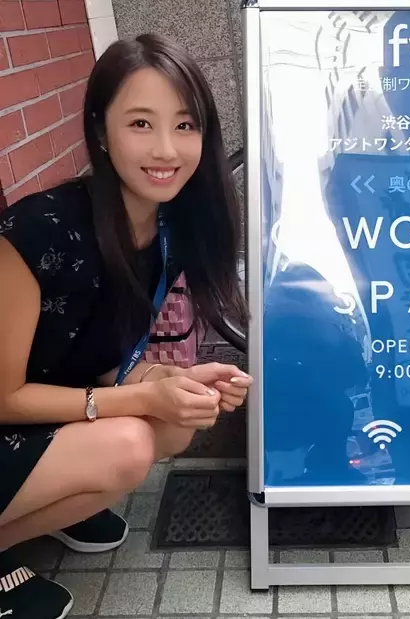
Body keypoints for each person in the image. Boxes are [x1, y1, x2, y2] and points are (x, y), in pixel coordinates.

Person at [0, 33, 252, 618]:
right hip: (10, 413)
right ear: (100, 132)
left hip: (47, 411)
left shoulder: (171, 228)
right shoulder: (36, 232)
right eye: (141, 123)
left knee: (174, 423)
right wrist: (140, 398)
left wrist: (172, 382)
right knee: (131, 442)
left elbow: (100, 355)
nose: (166, 149)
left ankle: (48, 504)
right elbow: (4, 396)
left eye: (185, 125)